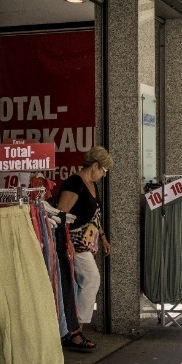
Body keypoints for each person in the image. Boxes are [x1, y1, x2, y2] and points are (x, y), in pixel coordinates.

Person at [55, 145, 113, 348]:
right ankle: (75, 329)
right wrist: (67, 241)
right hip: (75, 243)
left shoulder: (91, 184)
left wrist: (103, 237)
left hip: (86, 242)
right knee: (91, 279)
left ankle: (72, 327)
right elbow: (61, 214)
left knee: (82, 283)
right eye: (104, 171)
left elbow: (95, 214)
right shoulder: (75, 183)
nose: (104, 175)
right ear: (95, 166)